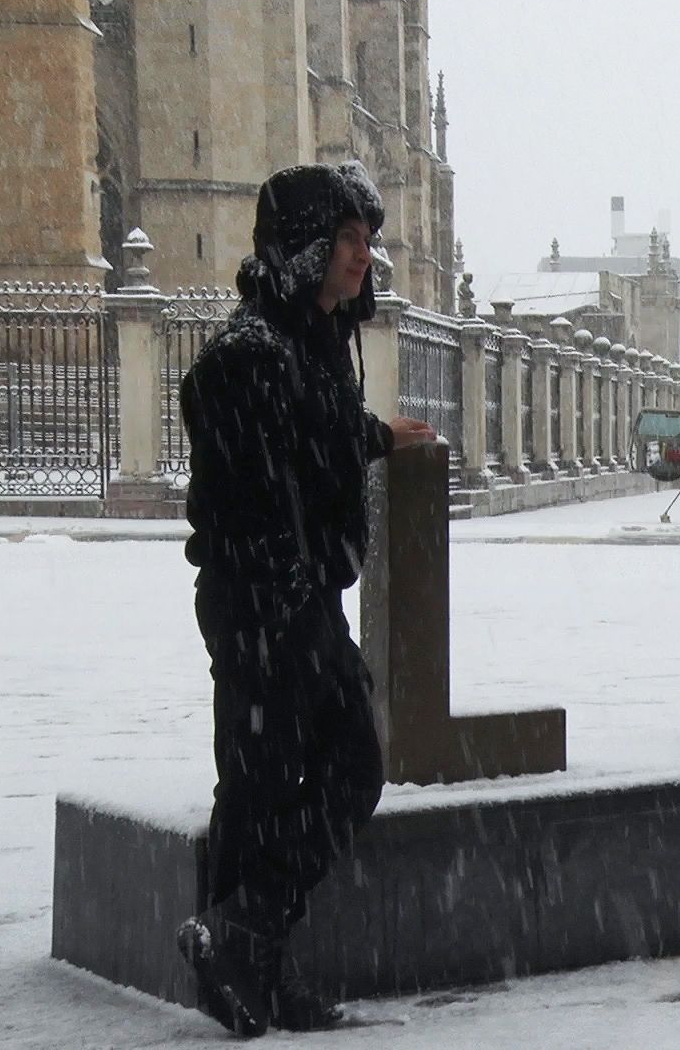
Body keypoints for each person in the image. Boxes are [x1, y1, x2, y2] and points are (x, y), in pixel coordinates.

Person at [174, 162, 436, 1037]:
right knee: (296, 777)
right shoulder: (249, 353)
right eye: (350, 239)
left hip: (298, 599)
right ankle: (242, 943)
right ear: (306, 246)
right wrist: (286, 604)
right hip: (267, 605)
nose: (366, 256)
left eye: (369, 240)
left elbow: (317, 432)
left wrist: (377, 435)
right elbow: (251, 482)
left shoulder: (314, 342)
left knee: (287, 781)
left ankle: (247, 953)